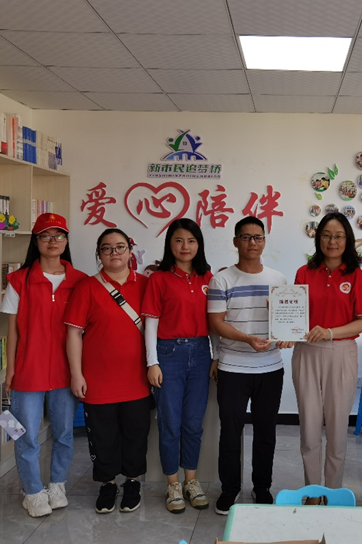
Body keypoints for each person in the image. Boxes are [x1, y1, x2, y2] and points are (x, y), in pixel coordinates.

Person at [0, 213, 88, 517]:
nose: (53, 241)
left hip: (66, 370)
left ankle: (57, 485)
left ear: (66, 241)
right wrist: (10, 369)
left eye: (59, 235)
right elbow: (12, 330)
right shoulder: (19, 280)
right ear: (35, 241)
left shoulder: (81, 281)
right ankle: (33, 491)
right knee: (25, 434)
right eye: (46, 236)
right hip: (29, 369)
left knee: (64, 433)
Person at [207, 216, 291, 515]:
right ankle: (229, 489)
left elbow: (287, 320)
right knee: (230, 432)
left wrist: (288, 335)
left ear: (264, 241)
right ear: (235, 241)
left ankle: (262, 487)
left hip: (270, 368)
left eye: (258, 237)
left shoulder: (278, 279)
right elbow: (216, 323)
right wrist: (246, 339)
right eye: (245, 237)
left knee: (266, 432)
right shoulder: (221, 280)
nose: (252, 243)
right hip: (233, 368)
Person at [65, 228, 151, 514]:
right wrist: (76, 374)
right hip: (98, 380)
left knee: (136, 433)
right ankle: (108, 484)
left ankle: (133, 482)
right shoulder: (87, 288)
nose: (114, 252)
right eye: (107, 248)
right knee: (103, 436)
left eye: (120, 247)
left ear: (130, 251)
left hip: (138, 378)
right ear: (99, 254)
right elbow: (74, 333)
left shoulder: (147, 285)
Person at [292, 212, 362, 496]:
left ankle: (333, 492)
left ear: (347, 239)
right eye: (326, 235)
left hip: (341, 353)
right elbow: (296, 315)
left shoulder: (356, 275)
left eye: (338, 236)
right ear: (318, 238)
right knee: (309, 428)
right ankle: (313, 493)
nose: (332, 241)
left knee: (337, 428)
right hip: (306, 352)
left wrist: (330, 332)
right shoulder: (304, 272)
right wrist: (280, 319)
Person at [140, 218, 214, 514]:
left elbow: (215, 321)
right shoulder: (159, 279)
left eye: (191, 241)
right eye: (179, 240)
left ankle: (191, 481)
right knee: (169, 423)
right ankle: (172, 483)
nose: (185, 246)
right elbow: (151, 323)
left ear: (199, 244)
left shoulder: (207, 277)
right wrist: (152, 362)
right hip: (168, 354)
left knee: (193, 423)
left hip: (201, 353)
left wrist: (216, 357)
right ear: (170, 244)